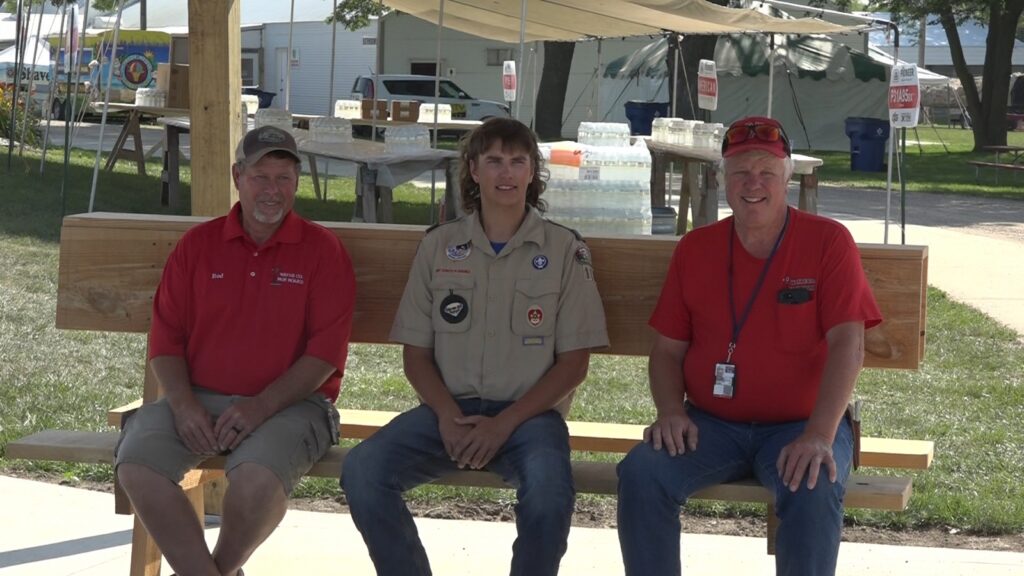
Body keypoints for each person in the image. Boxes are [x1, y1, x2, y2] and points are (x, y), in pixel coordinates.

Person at [341, 117, 609, 576]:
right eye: (494, 161)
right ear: (473, 170)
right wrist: (446, 414)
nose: (506, 173)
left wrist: (503, 424)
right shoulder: (439, 247)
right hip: (450, 413)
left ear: (532, 172)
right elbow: (417, 354)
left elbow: (573, 365)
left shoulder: (564, 250)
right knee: (363, 471)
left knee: (550, 497)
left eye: (518, 161)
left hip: (529, 418)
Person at [616, 116, 882, 576]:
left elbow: (849, 346)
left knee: (813, 481)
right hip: (709, 425)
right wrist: (671, 412)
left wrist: (819, 435)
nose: (752, 183)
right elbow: (666, 352)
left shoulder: (828, 242)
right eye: (740, 171)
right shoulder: (695, 248)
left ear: (787, 177)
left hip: (802, 424)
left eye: (766, 171)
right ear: (722, 179)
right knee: (642, 473)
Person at [115, 126, 356, 576]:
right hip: (198, 397)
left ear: (297, 183)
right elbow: (165, 340)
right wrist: (183, 406)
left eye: (283, 178)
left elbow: (324, 356)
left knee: (254, 482)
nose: (272, 191)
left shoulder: (323, 251)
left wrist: (260, 407)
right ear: (237, 176)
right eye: (261, 177)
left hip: (292, 406)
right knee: (137, 465)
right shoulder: (197, 246)